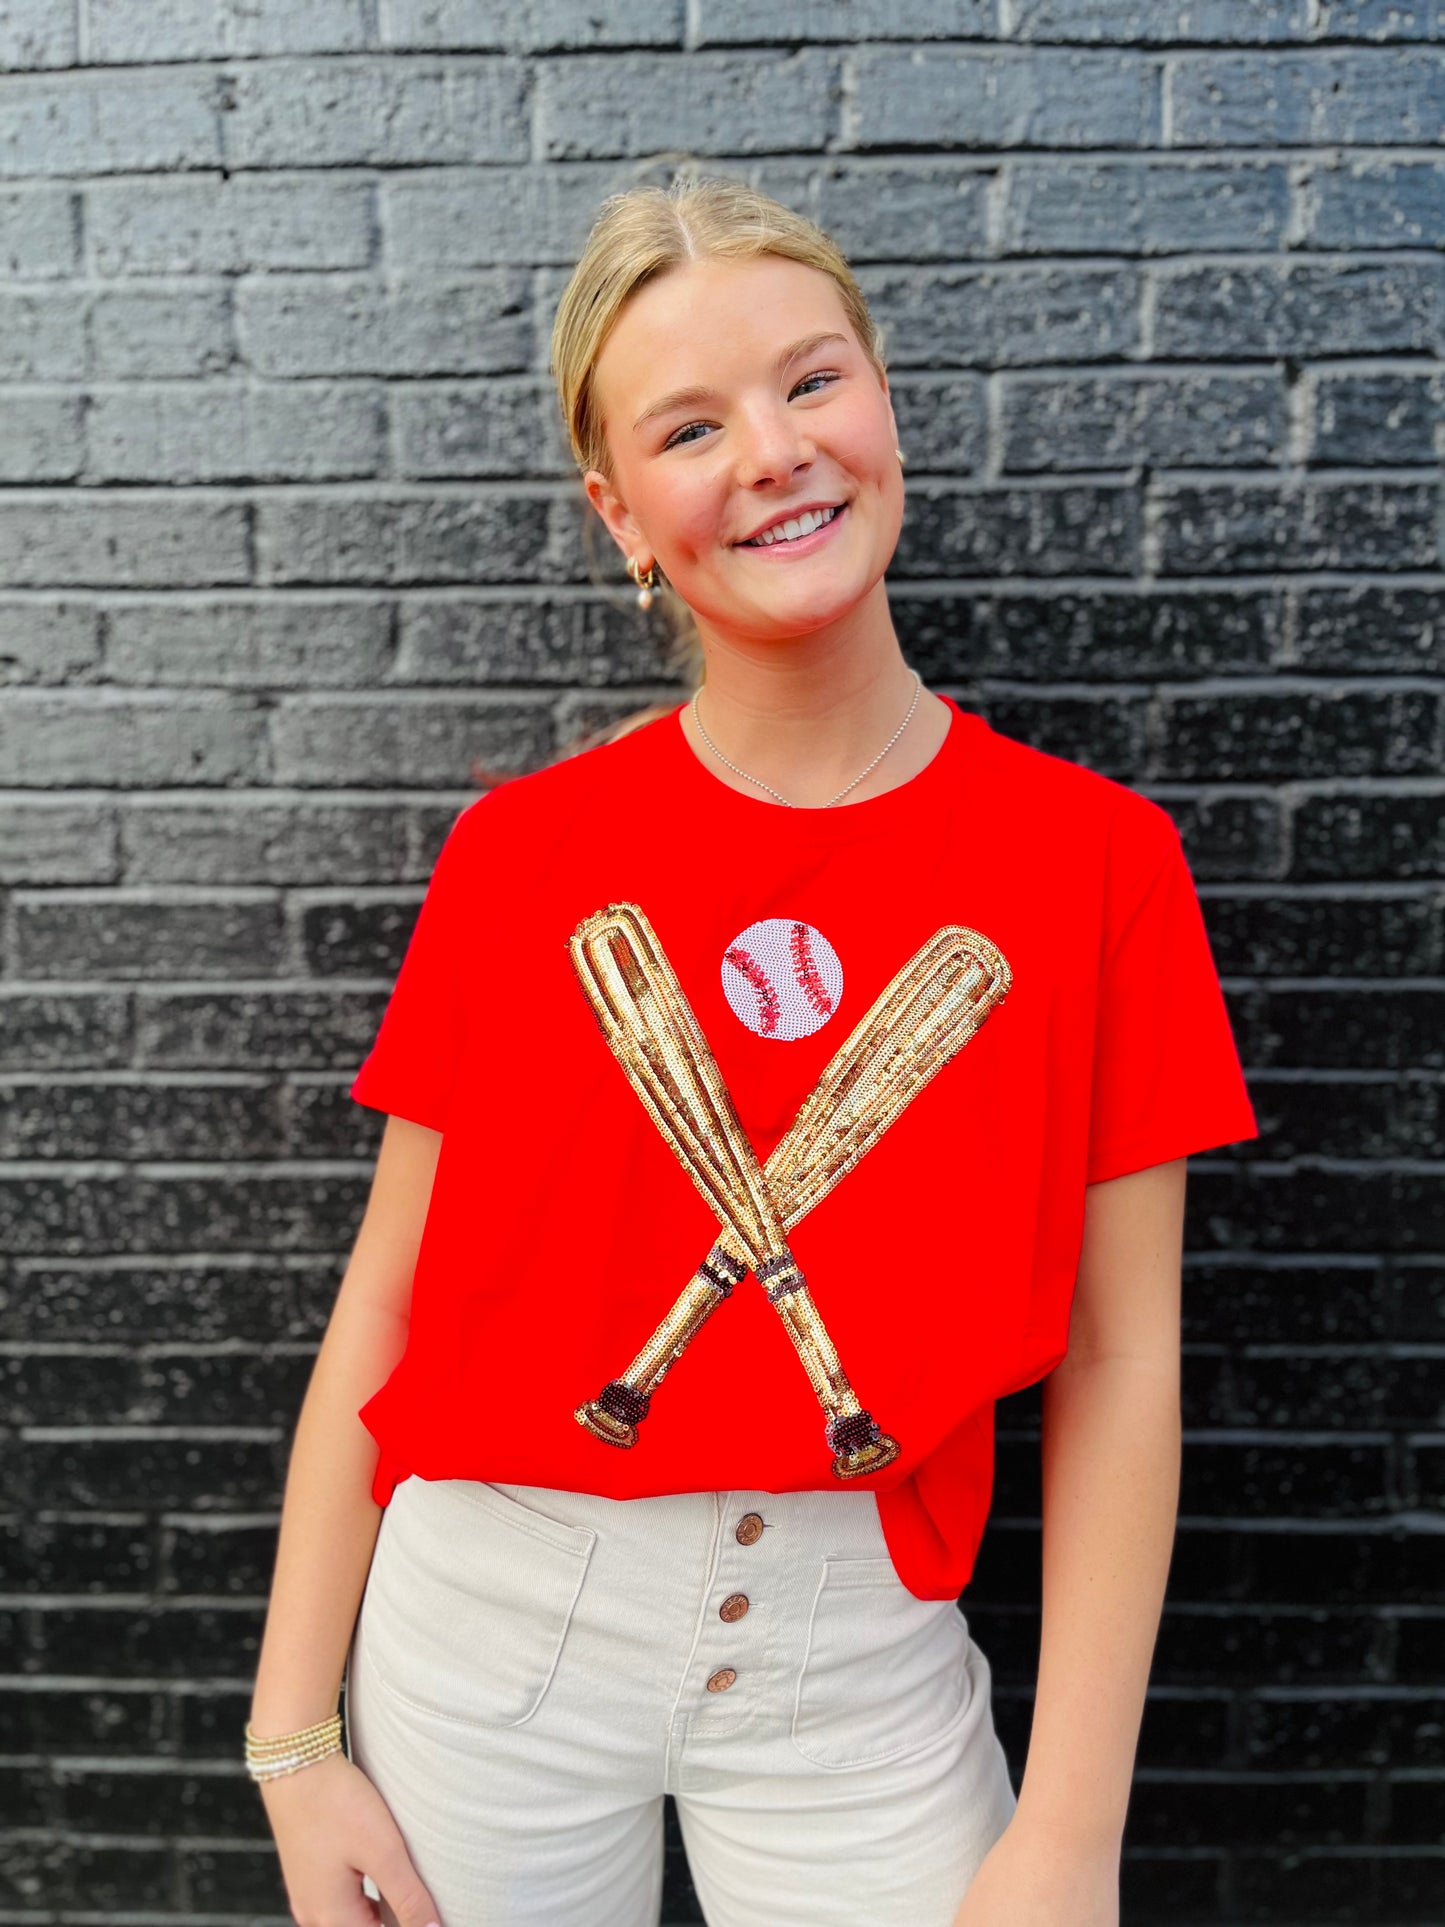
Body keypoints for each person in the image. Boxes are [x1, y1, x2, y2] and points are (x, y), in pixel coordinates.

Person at [246, 173, 1260, 1927]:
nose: (774, 452)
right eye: (690, 426)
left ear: (882, 408)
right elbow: (388, 1306)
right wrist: (289, 1736)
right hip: (488, 1630)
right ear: (622, 513)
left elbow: (1118, 1366)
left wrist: (1070, 1829)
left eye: (811, 382)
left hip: (853, 1656)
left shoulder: (1094, 863)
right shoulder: (525, 857)